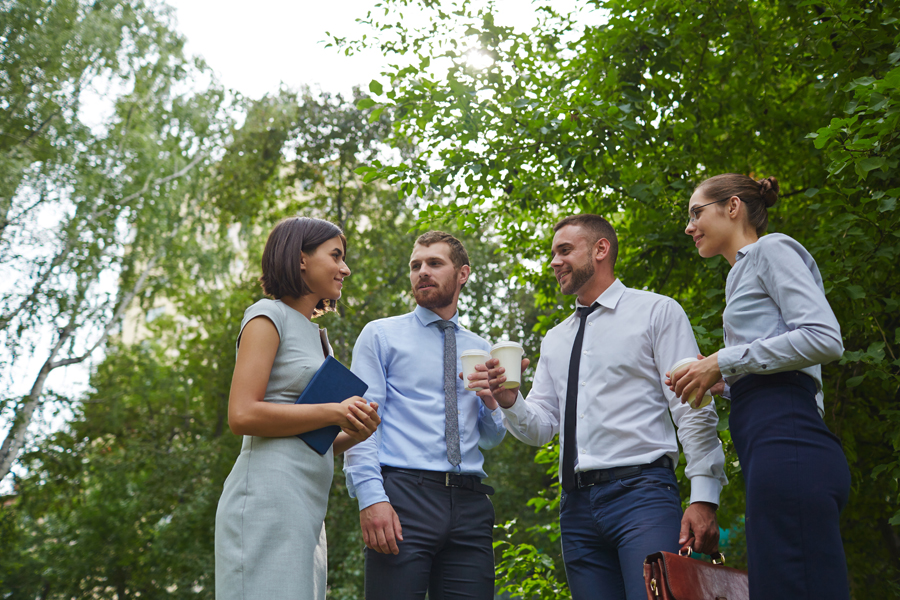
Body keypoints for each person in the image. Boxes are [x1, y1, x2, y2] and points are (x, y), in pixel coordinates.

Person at [474, 214, 727, 600]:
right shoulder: (555, 340)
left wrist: (704, 495)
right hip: (575, 510)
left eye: (564, 250)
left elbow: (692, 406)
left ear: (600, 249)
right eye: (553, 253)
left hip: (642, 496)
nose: (554, 262)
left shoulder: (657, 312)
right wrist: (510, 400)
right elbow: (541, 429)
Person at [670, 174, 850, 599]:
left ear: (732, 207)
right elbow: (783, 368)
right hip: (772, 451)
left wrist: (725, 361)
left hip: (790, 445)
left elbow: (825, 337)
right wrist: (724, 381)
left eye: (697, 212)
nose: (688, 226)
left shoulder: (772, 248)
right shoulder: (738, 276)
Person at [215, 217, 381, 600]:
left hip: (306, 510)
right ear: (301, 258)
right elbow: (242, 415)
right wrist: (334, 412)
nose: (345, 267)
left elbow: (309, 439)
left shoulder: (319, 338)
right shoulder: (266, 316)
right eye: (336, 255)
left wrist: (351, 433)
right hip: (266, 500)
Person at [343, 231, 506, 600]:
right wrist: (371, 498)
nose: (422, 272)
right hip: (403, 498)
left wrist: (493, 401)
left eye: (434, 263)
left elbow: (490, 437)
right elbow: (361, 424)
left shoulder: (481, 348)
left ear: (462, 273)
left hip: (471, 504)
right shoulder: (381, 336)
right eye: (416, 265)